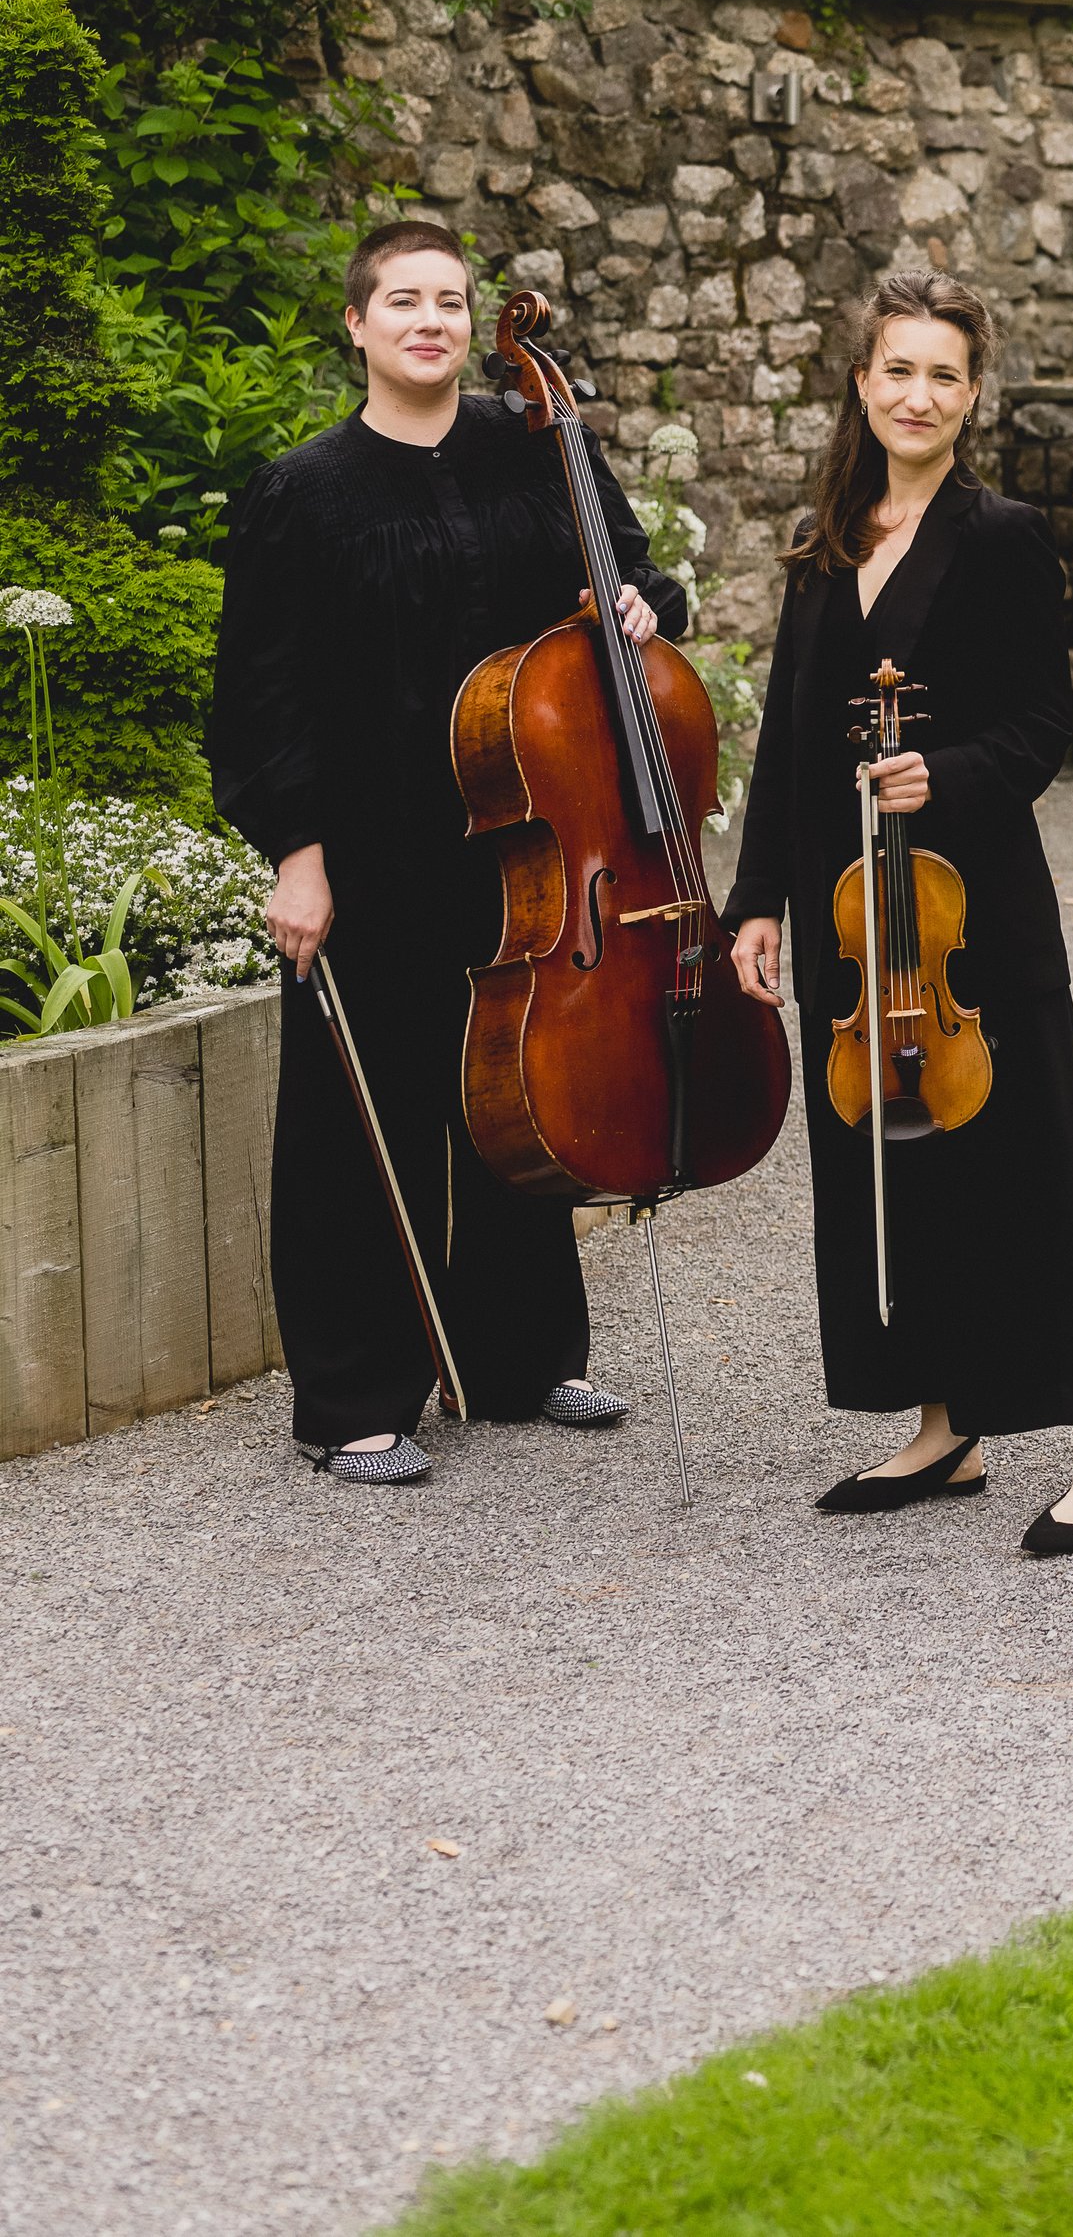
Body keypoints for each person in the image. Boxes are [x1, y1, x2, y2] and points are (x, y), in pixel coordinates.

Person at [210, 222, 684, 1485]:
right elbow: (260, 695)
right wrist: (295, 855)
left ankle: (525, 1361)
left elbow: (633, 579)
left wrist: (640, 602)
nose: (431, 319)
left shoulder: (538, 446)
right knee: (358, 1128)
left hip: (533, 839)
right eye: (404, 300)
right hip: (372, 851)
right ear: (357, 325)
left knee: (519, 1091)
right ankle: (355, 1399)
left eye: (451, 301)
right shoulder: (304, 492)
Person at [724, 266, 1073, 1557]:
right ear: (863, 382)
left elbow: (1041, 729)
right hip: (851, 919)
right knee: (886, 1170)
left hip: (971, 914)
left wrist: (941, 772)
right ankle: (942, 1422)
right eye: (898, 368)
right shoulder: (826, 535)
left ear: (972, 396)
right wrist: (755, 901)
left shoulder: (1001, 534)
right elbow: (792, 738)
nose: (919, 393)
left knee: (1032, 1167)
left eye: (944, 374)